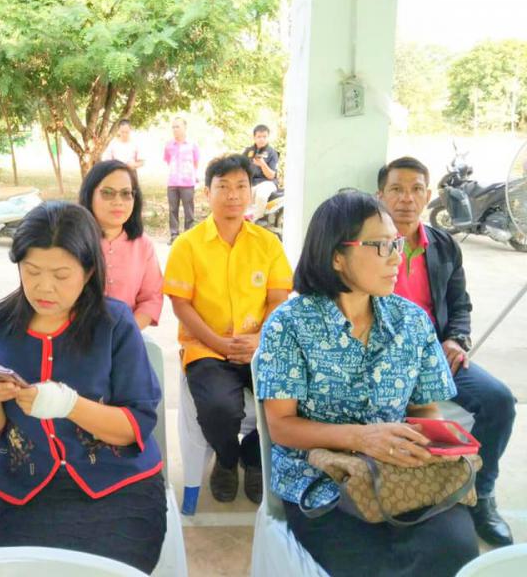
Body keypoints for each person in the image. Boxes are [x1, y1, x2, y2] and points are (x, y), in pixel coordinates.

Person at [256, 190, 479, 577]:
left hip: (401, 471)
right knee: (373, 566)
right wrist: (362, 438)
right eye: (380, 246)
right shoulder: (289, 324)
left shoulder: (411, 321)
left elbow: (424, 408)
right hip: (322, 478)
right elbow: (282, 427)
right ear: (336, 256)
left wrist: (430, 442)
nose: (396, 257)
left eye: (396, 243)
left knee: (456, 551)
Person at [0, 201, 166, 573]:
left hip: (120, 488)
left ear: (89, 272)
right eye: (32, 271)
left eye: (61, 275)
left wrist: (69, 405)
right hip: (27, 492)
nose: (44, 287)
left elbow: (135, 426)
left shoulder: (114, 323)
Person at [378, 156, 516, 546]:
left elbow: (459, 304)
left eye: (416, 189)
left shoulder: (443, 246)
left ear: (427, 196)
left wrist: (455, 339)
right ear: (380, 196)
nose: (406, 199)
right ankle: (404, 498)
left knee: (498, 401)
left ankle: (479, 493)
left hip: (435, 355)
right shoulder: (369, 246)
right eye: (397, 189)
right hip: (382, 360)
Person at [163, 153, 293, 504]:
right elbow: (181, 305)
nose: (233, 194)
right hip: (206, 347)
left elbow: (278, 299)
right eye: (223, 187)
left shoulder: (268, 243)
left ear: (251, 192)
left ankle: (252, 456)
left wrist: (259, 339)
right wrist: (218, 343)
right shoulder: (187, 245)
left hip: (260, 346)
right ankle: (226, 458)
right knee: (220, 408)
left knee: (294, 397)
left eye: (241, 186)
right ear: (207, 193)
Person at [78, 160, 163, 330]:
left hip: (127, 334)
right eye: (107, 193)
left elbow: (151, 299)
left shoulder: (143, 245)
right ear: (89, 195)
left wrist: (125, 333)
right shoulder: (73, 239)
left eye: (126, 193)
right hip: (76, 335)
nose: (118, 201)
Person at [163, 117, 200, 244]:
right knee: (173, 209)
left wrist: (191, 174)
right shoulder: (169, 145)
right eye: (173, 127)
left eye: (177, 127)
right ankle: (174, 235)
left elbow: (196, 162)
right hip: (172, 182)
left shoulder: (192, 144)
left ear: (185, 128)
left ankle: (189, 235)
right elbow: (167, 160)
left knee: (188, 210)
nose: (175, 129)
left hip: (187, 182)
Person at [242, 124, 279, 219]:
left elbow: (271, 175)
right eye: (259, 137)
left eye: (264, 137)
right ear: (254, 137)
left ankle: (256, 219)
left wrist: (262, 164)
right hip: (251, 183)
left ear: (268, 137)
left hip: (267, 182)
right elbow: (239, 167)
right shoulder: (248, 151)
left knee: (261, 195)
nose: (262, 139)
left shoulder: (272, 153)